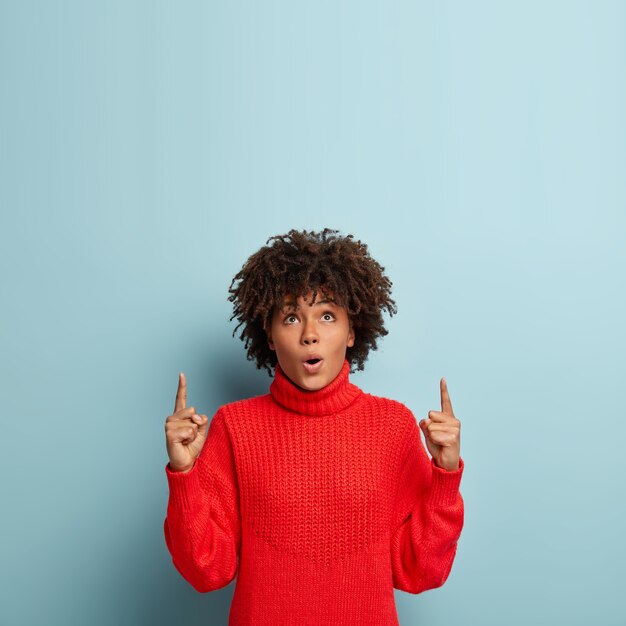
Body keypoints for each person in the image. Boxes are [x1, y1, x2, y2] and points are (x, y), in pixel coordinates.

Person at [163, 227, 464, 625]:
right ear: (269, 335)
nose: (309, 335)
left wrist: (445, 477)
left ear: (352, 331)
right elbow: (207, 570)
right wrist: (185, 475)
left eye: (326, 315)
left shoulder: (392, 426)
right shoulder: (235, 427)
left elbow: (420, 570)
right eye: (291, 317)